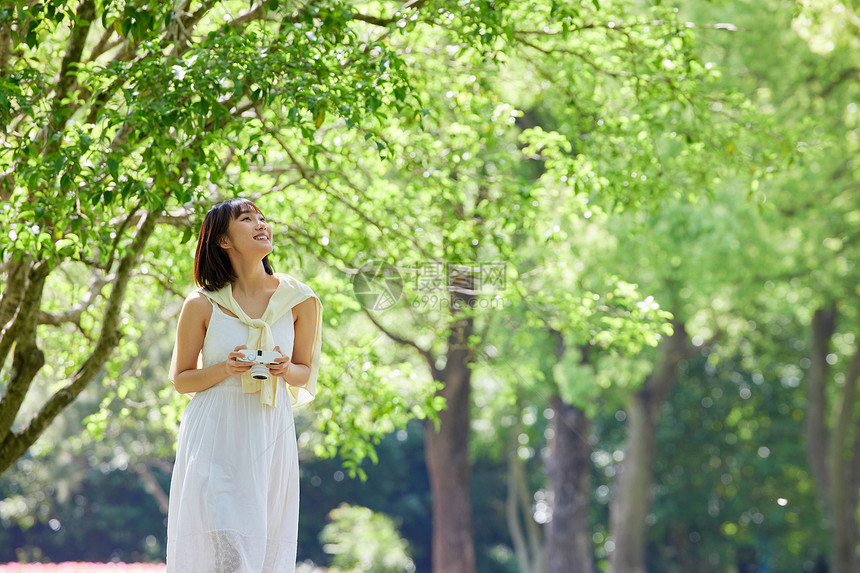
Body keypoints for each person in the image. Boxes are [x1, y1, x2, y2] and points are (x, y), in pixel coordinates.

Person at [165, 198, 322, 573]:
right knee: (225, 545)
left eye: (263, 218)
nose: (260, 224)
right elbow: (182, 379)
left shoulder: (300, 300)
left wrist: (285, 369)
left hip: (268, 430)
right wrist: (226, 368)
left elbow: (306, 372)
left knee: (262, 540)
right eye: (247, 219)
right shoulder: (202, 303)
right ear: (223, 241)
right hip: (215, 431)